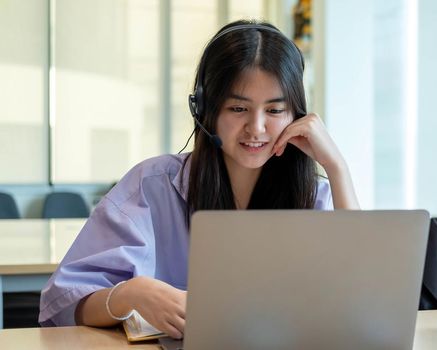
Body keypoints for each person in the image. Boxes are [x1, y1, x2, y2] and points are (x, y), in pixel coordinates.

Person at [39, 20, 359, 339]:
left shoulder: (313, 195)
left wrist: (337, 167)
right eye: (238, 108)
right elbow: (63, 305)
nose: (257, 127)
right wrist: (129, 294)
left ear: (297, 117)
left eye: (275, 110)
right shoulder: (152, 186)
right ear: (205, 110)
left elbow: (361, 299)